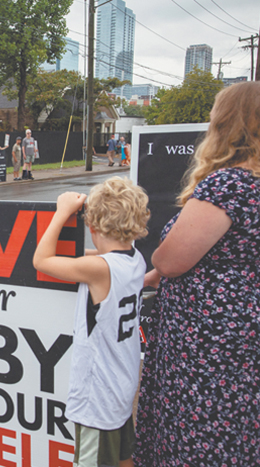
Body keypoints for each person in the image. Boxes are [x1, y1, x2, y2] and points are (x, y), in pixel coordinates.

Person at [134, 81, 260, 466]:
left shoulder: (229, 185)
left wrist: (157, 268)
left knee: (201, 424)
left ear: (226, 124)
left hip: (209, 335)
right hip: (242, 326)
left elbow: (172, 260)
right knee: (237, 423)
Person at [33, 177, 150, 467]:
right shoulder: (135, 260)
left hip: (98, 397)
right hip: (121, 385)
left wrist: (61, 212)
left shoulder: (99, 269)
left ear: (92, 226)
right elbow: (89, 257)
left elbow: (42, 259)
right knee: (124, 457)